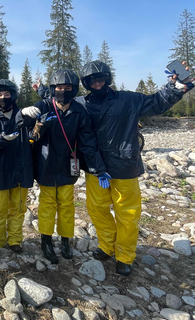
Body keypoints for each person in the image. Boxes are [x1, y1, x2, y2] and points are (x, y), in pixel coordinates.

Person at [78, 60, 193, 276]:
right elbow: (57, 103)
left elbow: (157, 102)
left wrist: (176, 88)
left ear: (108, 78)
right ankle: (106, 245)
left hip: (125, 166)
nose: (97, 82)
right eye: (92, 79)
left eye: (101, 77)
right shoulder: (80, 103)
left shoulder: (128, 99)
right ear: (86, 82)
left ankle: (124, 255)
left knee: (127, 215)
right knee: (97, 210)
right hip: (94, 168)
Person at [21, 69, 108, 265]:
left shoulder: (79, 112)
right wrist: (28, 117)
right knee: (47, 204)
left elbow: (87, 142)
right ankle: (46, 240)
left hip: (69, 165)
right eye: (59, 87)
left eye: (67, 88)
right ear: (53, 89)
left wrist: (97, 168)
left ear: (74, 90)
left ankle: (66, 241)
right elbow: (24, 130)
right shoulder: (43, 106)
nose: (63, 91)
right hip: (45, 164)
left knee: (67, 205)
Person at [0, 79, 33, 253]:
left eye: (7, 94)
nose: (3, 97)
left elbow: (36, 134)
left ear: (14, 95)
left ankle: (15, 240)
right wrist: (0, 140)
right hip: (0, 170)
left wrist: (36, 123)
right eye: (0, 95)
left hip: (21, 169)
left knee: (18, 209)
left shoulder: (24, 116)